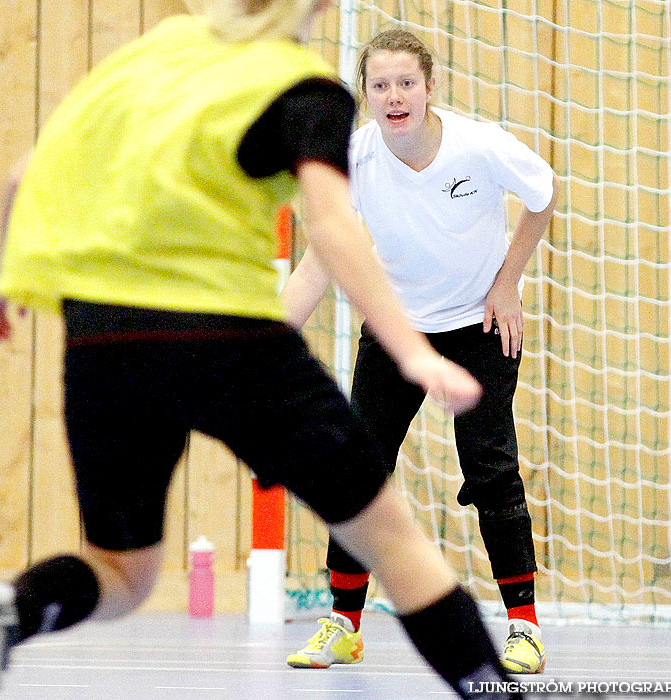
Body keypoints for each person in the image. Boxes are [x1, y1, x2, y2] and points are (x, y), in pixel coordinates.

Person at [0, 3, 524, 699]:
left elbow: (25, 175)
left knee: (121, 571)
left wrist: (0, 280)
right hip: (224, 335)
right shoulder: (301, 85)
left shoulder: (156, 53)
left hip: (102, 338)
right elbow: (331, 227)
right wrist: (411, 351)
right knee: (393, 542)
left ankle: (8, 610)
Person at [284, 29, 560, 675]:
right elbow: (314, 266)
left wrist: (506, 283)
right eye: (379, 85)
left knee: (490, 467)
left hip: (478, 326)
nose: (393, 95)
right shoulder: (351, 161)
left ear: (430, 88)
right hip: (396, 332)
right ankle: (342, 624)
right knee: (360, 470)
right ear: (366, 95)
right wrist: (259, 342)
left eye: (406, 82)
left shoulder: (478, 144)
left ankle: (523, 628)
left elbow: (541, 197)